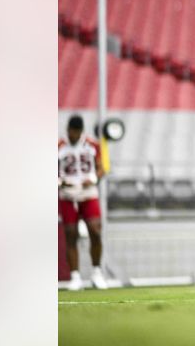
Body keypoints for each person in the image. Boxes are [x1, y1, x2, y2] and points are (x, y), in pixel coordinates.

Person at [58, 114, 107, 290]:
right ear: (68, 130)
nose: (74, 135)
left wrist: (93, 178)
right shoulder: (59, 146)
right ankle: (75, 276)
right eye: (72, 132)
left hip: (88, 193)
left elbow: (102, 168)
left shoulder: (92, 145)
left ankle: (96, 272)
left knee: (95, 230)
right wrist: (60, 182)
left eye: (77, 132)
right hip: (68, 193)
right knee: (70, 234)